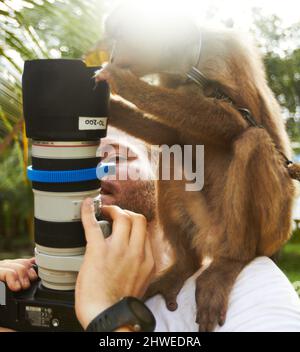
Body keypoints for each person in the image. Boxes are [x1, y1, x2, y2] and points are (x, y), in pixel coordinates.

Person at [1, 126, 300, 332]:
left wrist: (106, 315)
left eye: (116, 156)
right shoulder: (57, 295)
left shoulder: (246, 284)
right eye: (77, 164)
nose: (90, 175)